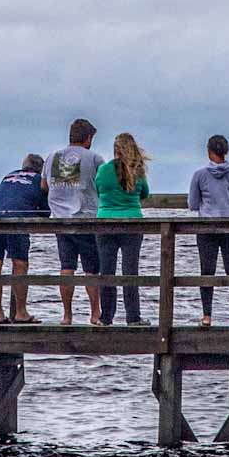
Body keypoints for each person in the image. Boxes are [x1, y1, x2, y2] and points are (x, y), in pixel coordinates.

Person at [44, 119, 105, 326]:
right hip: (86, 217)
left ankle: (67, 315)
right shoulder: (94, 157)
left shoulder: (53, 156)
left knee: (66, 266)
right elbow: (103, 184)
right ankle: (95, 313)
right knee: (91, 268)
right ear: (88, 138)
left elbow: (44, 185)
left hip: (60, 219)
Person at [187, 134, 229, 327]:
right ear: (227, 151)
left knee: (207, 272)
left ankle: (207, 317)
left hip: (207, 227)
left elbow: (193, 204)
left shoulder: (199, 175)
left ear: (208, 151)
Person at [0, 153, 49, 323]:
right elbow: (45, 212)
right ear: (40, 169)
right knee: (19, 263)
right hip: (15, 218)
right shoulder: (39, 180)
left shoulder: (9, 175)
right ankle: (20, 312)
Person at [94, 132, 151, 326]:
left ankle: (106, 317)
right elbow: (145, 193)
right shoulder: (138, 171)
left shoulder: (103, 170)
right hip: (132, 223)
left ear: (115, 150)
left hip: (105, 223)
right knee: (130, 271)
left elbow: (98, 188)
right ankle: (133, 317)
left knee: (106, 271)